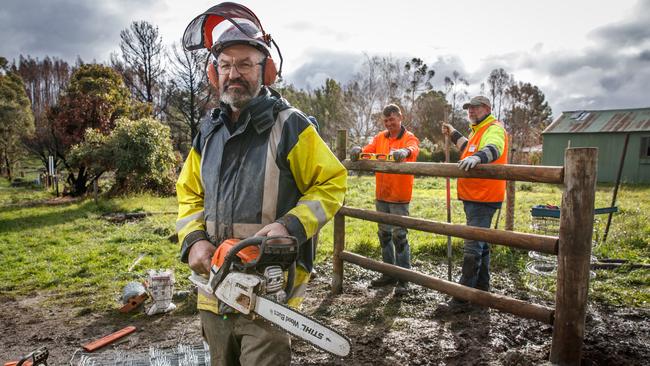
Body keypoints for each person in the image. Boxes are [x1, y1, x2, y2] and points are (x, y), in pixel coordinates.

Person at [175, 3, 347, 365]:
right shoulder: (208, 132)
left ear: (266, 70)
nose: (233, 73)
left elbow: (331, 183)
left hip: (269, 292)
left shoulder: (291, 126)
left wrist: (290, 225)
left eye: (244, 64)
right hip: (212, 288)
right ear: (213, 72)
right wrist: (194, 241)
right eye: (225, 65)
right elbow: (188, 193)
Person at [441, 95, 508, 307]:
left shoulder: (494, 129)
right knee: (481, 244)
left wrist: (478, 157)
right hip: (474, 197)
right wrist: (453, 133)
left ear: (487, 108)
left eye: (476, 108)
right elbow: (467, 148)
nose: (471, 111)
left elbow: (494, 148)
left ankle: (461, 299)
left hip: (483, 197)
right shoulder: (477, 131)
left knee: (472, 247)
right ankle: (481, 292)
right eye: (469, 108)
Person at [349, 104, 420, 296]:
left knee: (400, 236)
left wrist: (405, 152)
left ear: (400, 117)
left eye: (392, 119)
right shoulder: (380, 137)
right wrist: (358, 150)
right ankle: (388, 273)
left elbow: (413, 148)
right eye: (386, 120)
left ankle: (404, 278)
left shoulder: (409, 137)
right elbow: (369, 149)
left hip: (399, 196)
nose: (389, 123)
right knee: (384, 234)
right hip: (382, 194)